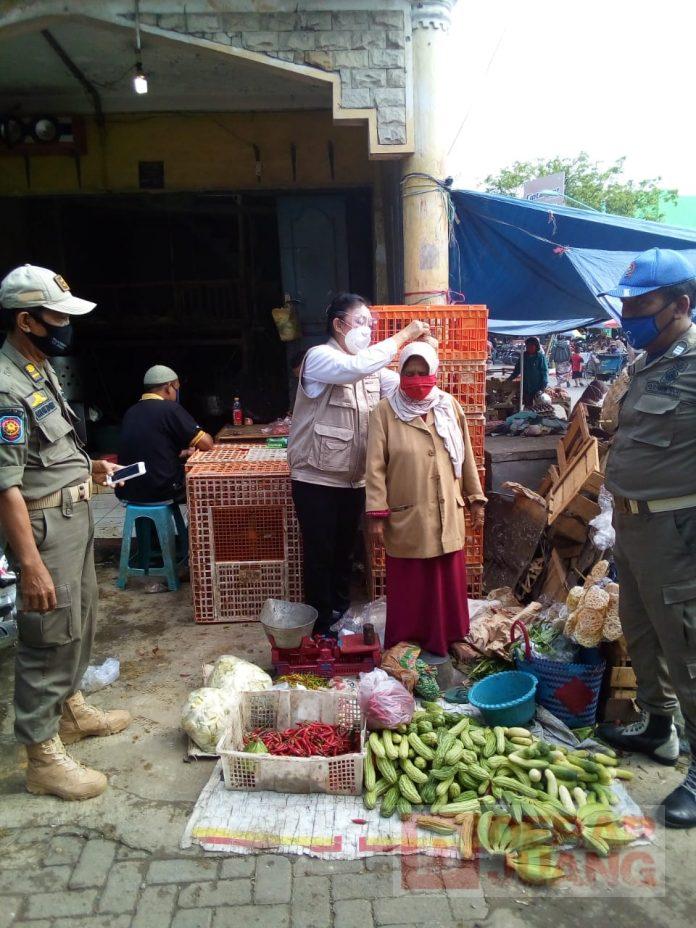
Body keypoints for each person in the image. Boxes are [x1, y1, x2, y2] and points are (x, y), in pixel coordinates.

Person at [0, 264, 131, 801]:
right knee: (48, 635)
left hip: (72, 518)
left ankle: (71, 710)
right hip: (42, 530)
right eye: (57, 317)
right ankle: (42, 757)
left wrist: (88, 469)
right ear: (26, 320)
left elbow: (48, 451)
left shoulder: (38, 369)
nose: (65, 326)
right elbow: (6, 487)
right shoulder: (6, 387)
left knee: (81, 619)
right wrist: (29, 564)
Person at [596, 248, 696, 828]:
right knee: (642, 633)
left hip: (677, 533)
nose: (629, 314)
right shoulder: (649, 365)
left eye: (642, 304)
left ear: (680, 305)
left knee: (688, 649)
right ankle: (660, 729)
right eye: (626, 303)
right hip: (633, 528)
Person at [288, 293, 429, 636]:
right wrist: (404, 336)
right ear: (338, 325)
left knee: (343, 553)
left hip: (354, 480)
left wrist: (422, 361)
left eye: (371, 324)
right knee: (320, 553)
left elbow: (399, 388)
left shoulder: (371, 369)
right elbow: (355, 367)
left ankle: (339, 613)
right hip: (316, 478)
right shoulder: (320, 358)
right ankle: (321, 624)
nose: (367, 330)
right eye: (361, 322)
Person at [365, 342, 486, 655]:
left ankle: (454, 637)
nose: (417, 379)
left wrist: (475, 497)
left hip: (448, 509)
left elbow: (466, 457)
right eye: (410, 373)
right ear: (401, 374)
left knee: (448, 579)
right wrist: (377, 514)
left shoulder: (449, 405)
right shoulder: (385, 412)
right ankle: (407, 641)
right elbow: (375, 467)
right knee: (410, 582)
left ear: (434, 373)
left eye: (423, 372)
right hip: (408, 513)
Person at [116, 365, 213, 504]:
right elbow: (207, 444)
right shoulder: (170, 409)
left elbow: (150, 451)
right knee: (208, 484)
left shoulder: (131, 412)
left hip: (127, 490)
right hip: (160, 490)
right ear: (168, 386)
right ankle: (202, 525)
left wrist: (184, 452)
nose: (177, 392)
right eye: (176, 388)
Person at [507, 337, 549, 407]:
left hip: (537, 386)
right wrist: (509, 379)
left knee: (538, 407)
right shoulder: (523, 356)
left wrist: (544, 385)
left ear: (536, 346)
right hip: (525, 386)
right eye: (528, 346)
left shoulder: (540, 357)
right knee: (527, 405)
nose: (529, 348)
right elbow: (517, 370)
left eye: (532, 346)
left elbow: (544, 372)